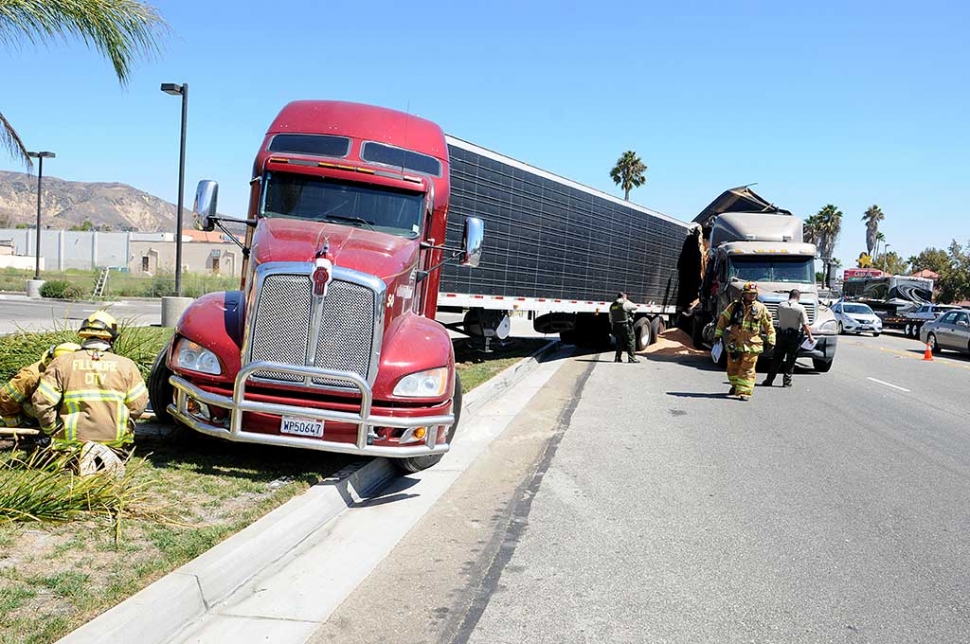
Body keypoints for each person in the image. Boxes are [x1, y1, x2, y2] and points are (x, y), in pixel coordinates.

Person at [31, 311, 147, 450]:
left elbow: (42, 402)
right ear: (110, 339)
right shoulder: (126, 365)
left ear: (84, 336)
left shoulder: (62, 363)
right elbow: (138, 404)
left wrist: (50, 430)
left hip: (71, 444)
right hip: (114, 442)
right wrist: (124, 424)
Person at [714, 282, 775, 401]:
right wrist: (717, 335)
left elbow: (769, 326)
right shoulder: (734, 307)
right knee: (732, 368)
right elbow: (723, 320)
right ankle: (735, 386)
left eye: (754, 294)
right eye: (749, 293)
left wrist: (771, 340)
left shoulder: (761, 308)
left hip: (752, 345)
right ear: (744, 294)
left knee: (747, 369)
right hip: (734, 343)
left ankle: (745, 392)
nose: (752, 296)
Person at [0, 342, 81, 428]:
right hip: (29, 418)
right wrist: (18, 427)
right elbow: (5, 398)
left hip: (51, 414)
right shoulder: (30, 377)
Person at [763, 289, 814, 388]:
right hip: (794, 337)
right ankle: (786, 381)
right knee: (791, 359)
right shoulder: (800, 308)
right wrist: (810, 336)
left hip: (781, 335)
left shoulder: (781, 306)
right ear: (798, 297)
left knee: (777, 359)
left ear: (789, 296)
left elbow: (777, 317)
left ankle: (769, 380)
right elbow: (805, 325)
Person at [609, 292, 640, 363]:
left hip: (616, 325)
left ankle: (617, 358)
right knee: (630, 341)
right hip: (625, 325)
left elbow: (610, 317)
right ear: (624, 297)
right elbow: (635, 307)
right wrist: (627, 300)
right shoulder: (625, 303)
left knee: (619, 342)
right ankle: (632, 359)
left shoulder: (612, 305)